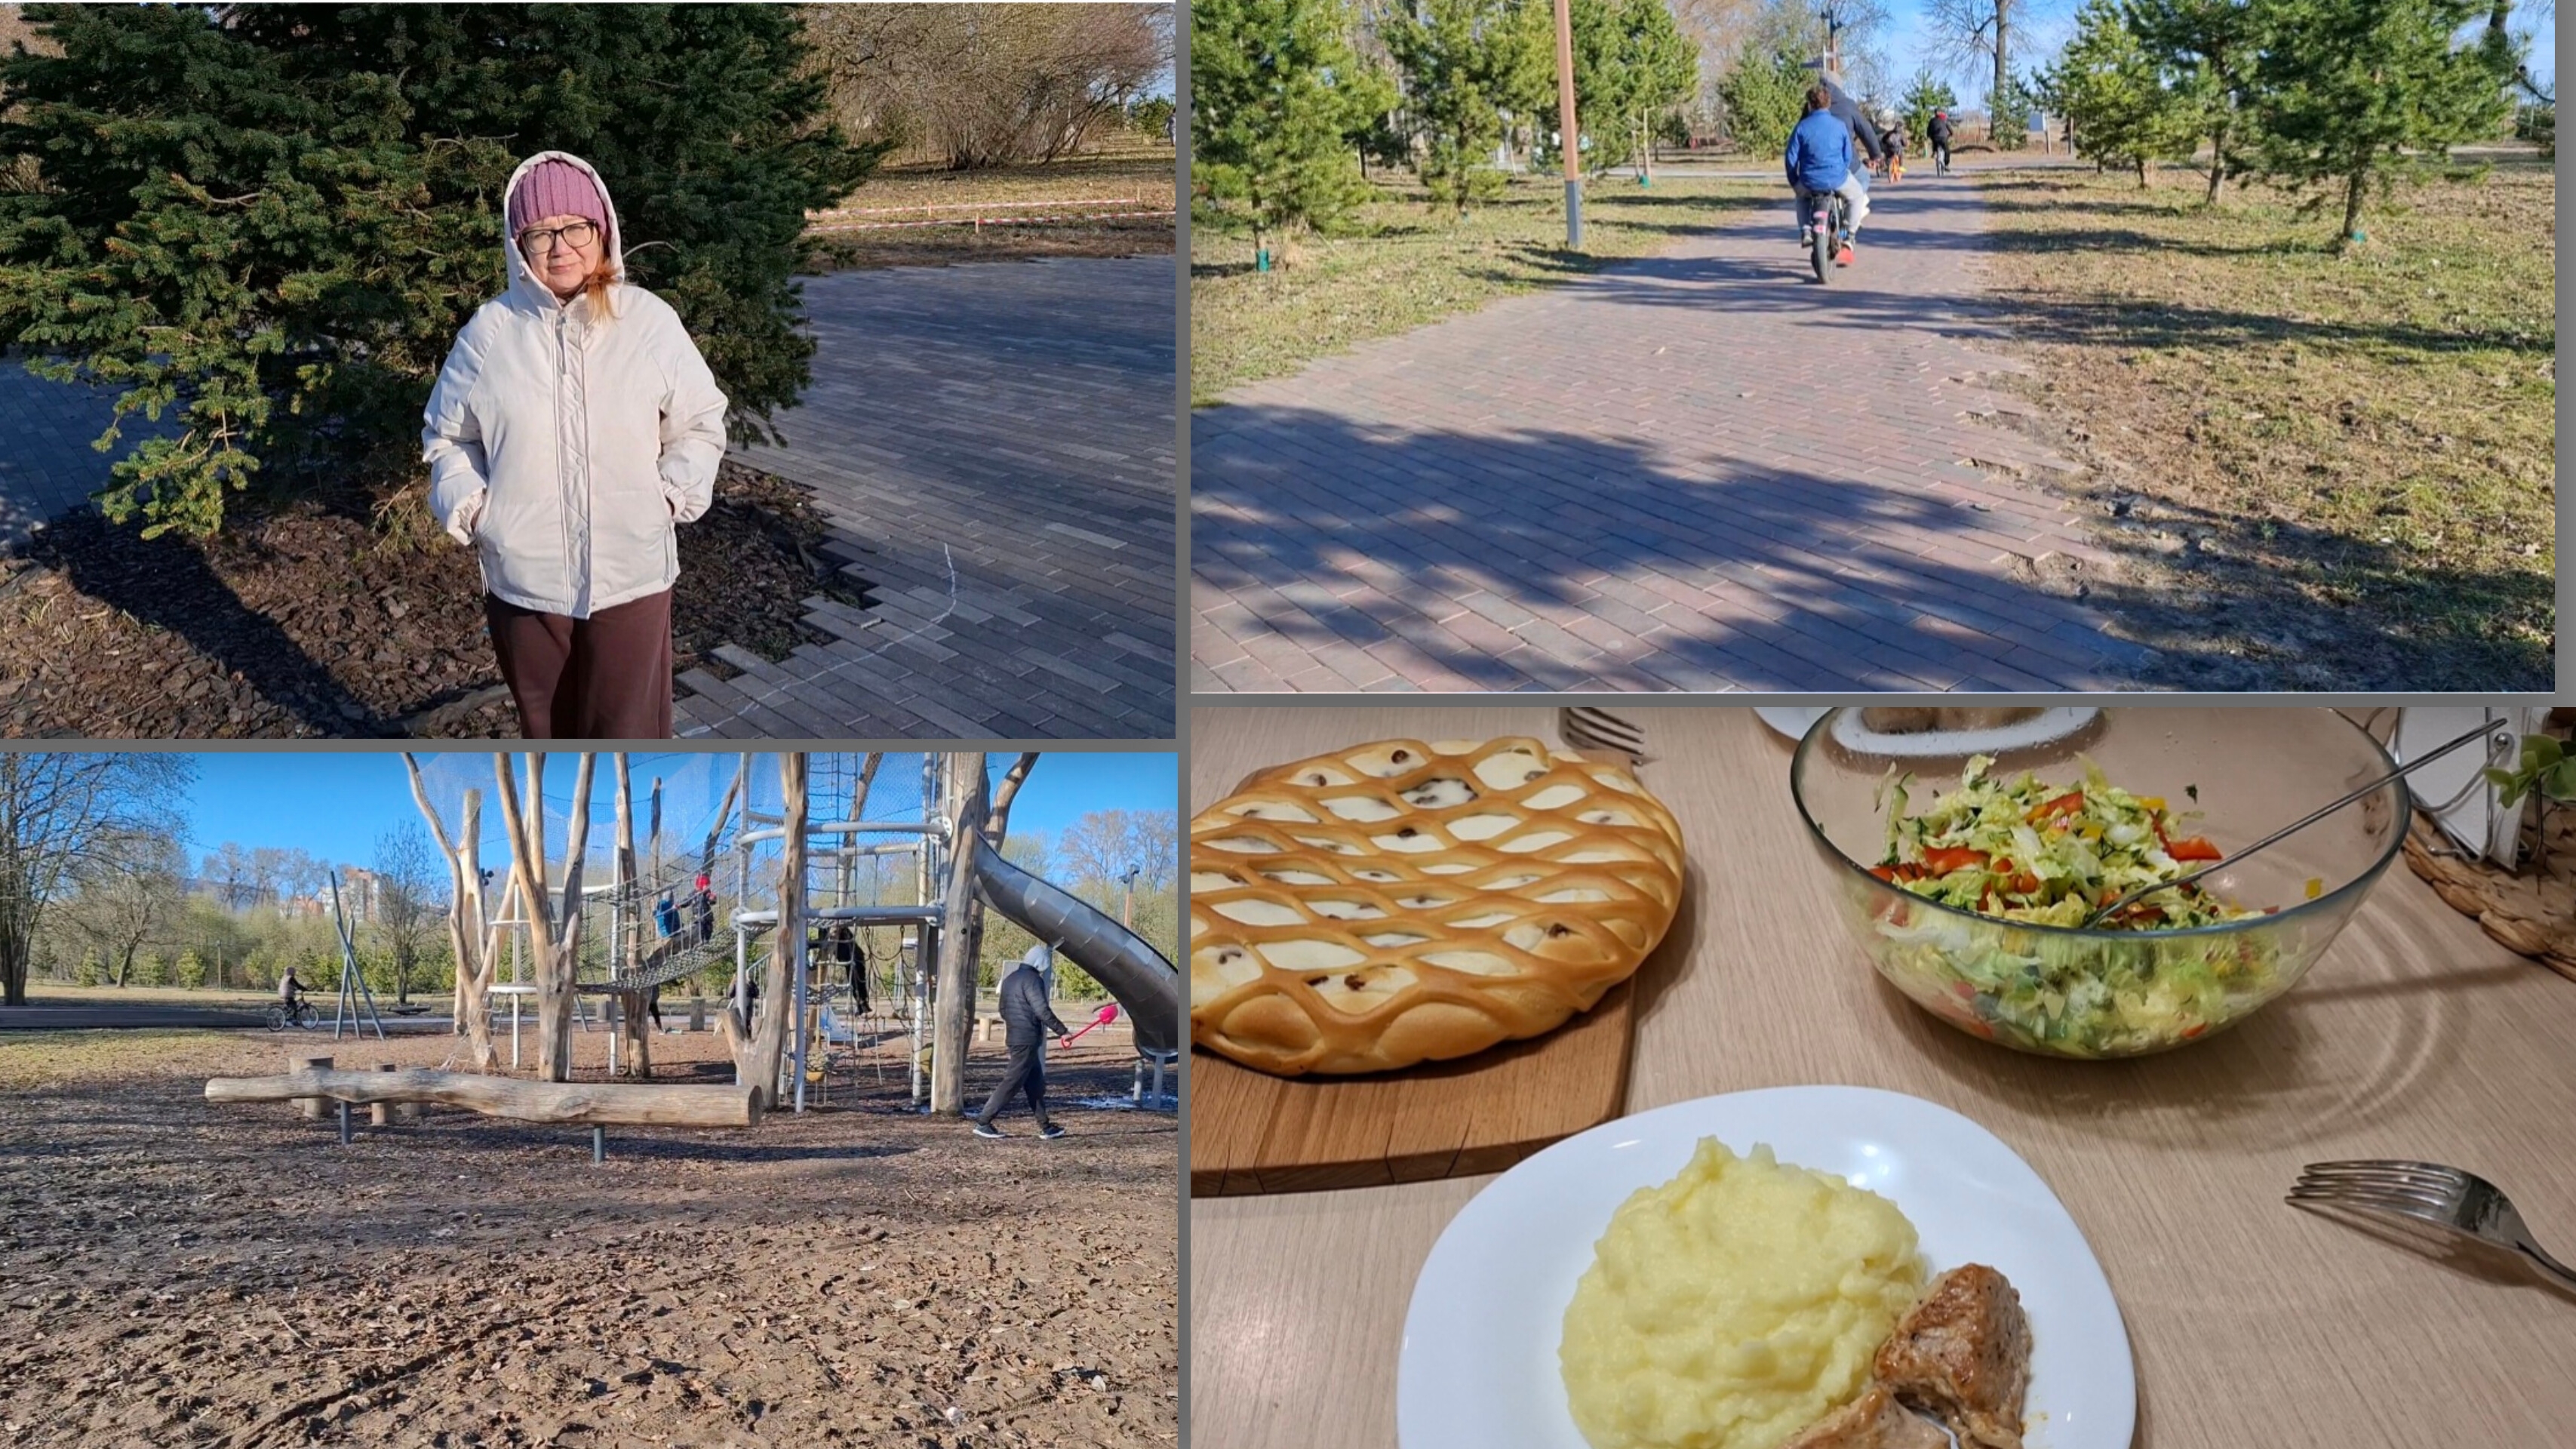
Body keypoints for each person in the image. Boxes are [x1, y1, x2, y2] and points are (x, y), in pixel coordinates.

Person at [423, 151, 730, 740]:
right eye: (541, 232)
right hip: (526, 585)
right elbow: (447, 436)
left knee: (630, 738)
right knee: (550, 738)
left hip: (632, 578)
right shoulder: (490, 332)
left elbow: (701, 420)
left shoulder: (647, 322)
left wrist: (667, 498)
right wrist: (476, 509)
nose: (560, 247)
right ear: (519, 244)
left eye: (575, 228)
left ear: (602, 230)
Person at [973, 944, 1071, 1140]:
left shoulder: (1010, 979)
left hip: (1016, 1037)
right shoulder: (1034, 980)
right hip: (1027, 1039)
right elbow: (1041, 1010)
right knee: (1012, 1081)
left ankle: (1045, 1126)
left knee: (1035, 1083)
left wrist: (1016, 1025)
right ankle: (984, 1121)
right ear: (1041, 962)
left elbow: (1003, 1010)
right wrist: (1062, 1031)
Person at [1785, 85, 1867, 261]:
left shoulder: (1801, 127)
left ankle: (1805, 230)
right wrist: (1840, 171)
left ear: (1809, 105)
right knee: (1857, 195)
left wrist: (1795, 182)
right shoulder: (1839, 126)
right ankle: (1850, 235)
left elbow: (1791, 158)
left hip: (1809, 181)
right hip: (1837, 178)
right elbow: (1847, 156)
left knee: (1801, 197)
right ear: (1828, 104)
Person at [1928, 109, 1954, 175]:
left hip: (1935, 138)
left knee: (1934, 142)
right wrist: (1951, 134)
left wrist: (1929, 136)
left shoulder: (1932, 120)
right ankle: (1946, 165)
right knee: (1947, 151)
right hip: (1943, 138)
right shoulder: (1944, 119)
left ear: (1935, 114)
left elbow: (1928, 130)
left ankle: (1934, 152)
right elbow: (1950, 129)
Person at [691, 872, 715, 944]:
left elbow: (711, 901)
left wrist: (712, 899)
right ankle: (701, 942)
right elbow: (686, 901)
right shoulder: (693, 894)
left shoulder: (707, 894)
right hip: (698, 918)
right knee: (700, 931)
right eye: (705, 885)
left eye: (707, 886)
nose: (707, 887)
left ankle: (707, 941)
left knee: (709, 930)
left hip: (707, 918)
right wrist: (680, 905)